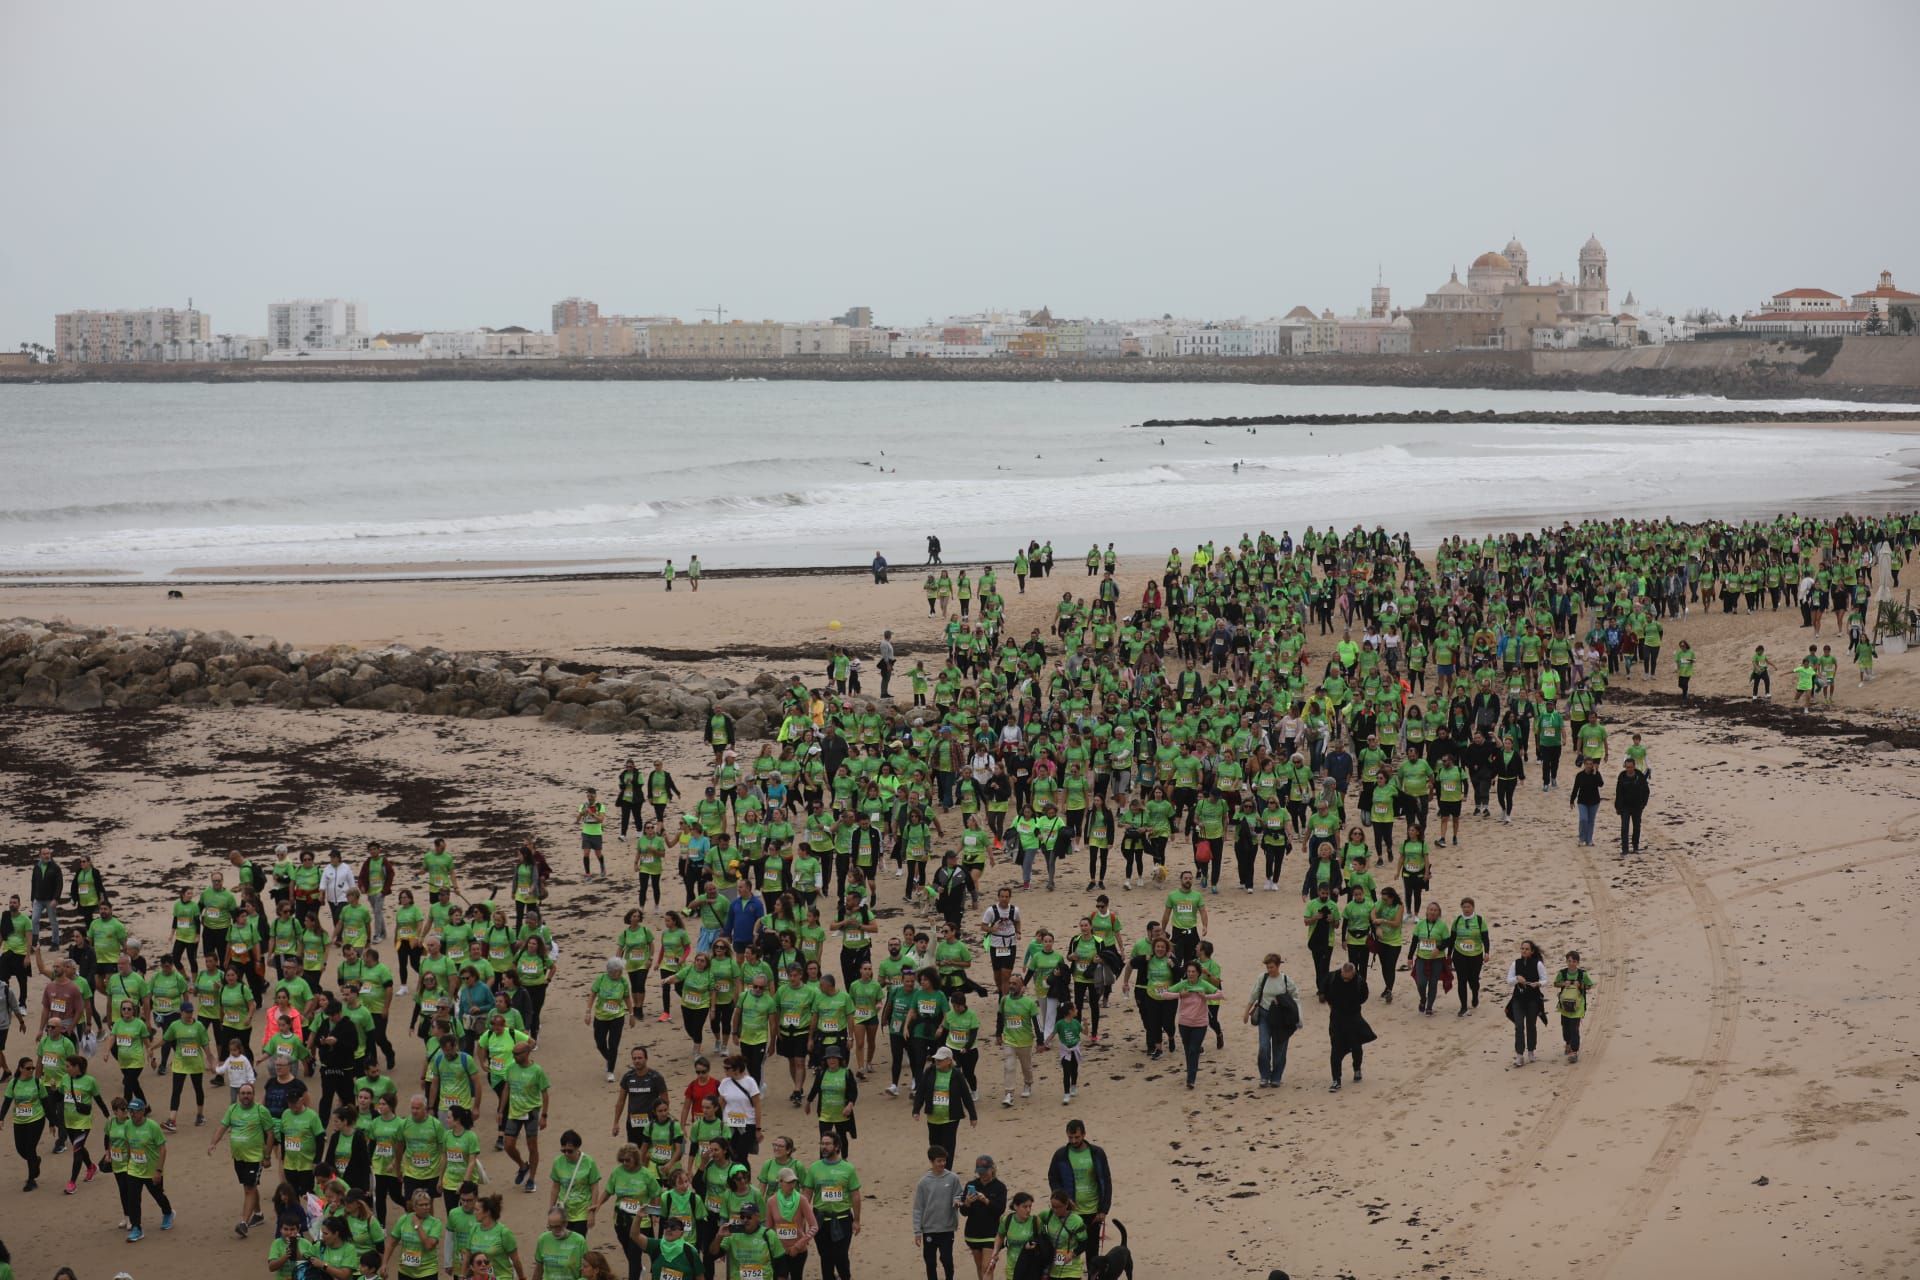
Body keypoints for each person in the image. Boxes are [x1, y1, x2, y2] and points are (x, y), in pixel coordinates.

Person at [1044, 1121, 1110, 1253]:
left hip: (1093, 1211)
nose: (1073, 1141)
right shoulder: (1060, 1155)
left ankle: (1092, 1274)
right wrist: (1064, 1199)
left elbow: (1106, 1181)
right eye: (1070, 1137)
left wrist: (1104, 1209)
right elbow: (1053, 1179)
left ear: (1084, 1134)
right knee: (1069, 1248)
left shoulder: (1097, 1153)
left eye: (1077, 1137)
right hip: (1071, 1211)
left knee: (1092, 1249)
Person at [808, 1131, 861, 1280]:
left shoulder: (848, 1168)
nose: (823, 1147)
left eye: (827, 1144)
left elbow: (855, 1195)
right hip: (819, 1220)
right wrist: (804, 1220)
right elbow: (807, 1195)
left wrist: (857, 1220)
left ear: (837, 1146)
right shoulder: (814, 1168)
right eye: (822, 1144)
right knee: (825, 1258)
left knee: (841, 1257)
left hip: (842, 1219)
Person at [1244, 952, 1301, 1087]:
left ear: (1278, 966)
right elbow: (1254, 995)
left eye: (1271, 967)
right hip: (1264, 1015)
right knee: (1263, 1047)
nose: (1269, 970)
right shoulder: (1262, 978)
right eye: (1267, 967)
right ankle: (1264, 1075)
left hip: (1281, 1019)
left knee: (1279, 1049)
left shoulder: (1286, 980)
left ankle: (1276, 1076)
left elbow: (1296, 998)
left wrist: (1291, 1011)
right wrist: (1246, 1012)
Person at [912, 1045, 977, 1162]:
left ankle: (946, 1170)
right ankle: (936, 1168)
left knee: (948, 1146)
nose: (937, 1061)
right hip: (933, 1118)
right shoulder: (929, 1071)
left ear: (948, 1061)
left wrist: (973, 1116)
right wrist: (916, 1110)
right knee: (934, 1146)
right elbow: (921, 1091)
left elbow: (966, 1096)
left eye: (940, 1060)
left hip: (950, 1118)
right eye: (936, 1059)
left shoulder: (957, 1074)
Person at [912, 1144, 965, 1280]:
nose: (942, 1163)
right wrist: (917, 1231)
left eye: (944, 1160)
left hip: (947, 1228)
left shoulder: (953, 1178)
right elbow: (918, 1208)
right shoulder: (923, 1182)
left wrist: (957, 1201)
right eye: (939, 1161)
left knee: (947, 1260)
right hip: (929, 1229)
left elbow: (959, 1194)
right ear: (932, 1161)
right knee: (930, 1262)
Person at [1167, 961, 1218, 1090]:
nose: (1190, 974)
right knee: (1187, 1050)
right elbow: (1165, 994)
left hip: (1200, 1023)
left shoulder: (1203, 984)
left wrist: (1206, 996)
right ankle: (1190, 1072)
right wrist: (1179, 995)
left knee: (1194, 1049)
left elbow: (1220, 994)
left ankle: (1191, 1079)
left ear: (1198, 973)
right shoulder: (1183, 985)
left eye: (1193, 972)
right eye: (1188, 971)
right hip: (1184, 1023)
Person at [1325, 961, 1373, 1093]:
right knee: (1335, 1049)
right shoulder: (1333, 978)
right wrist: (1332, 1007)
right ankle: (1336, 1080)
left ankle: (1357, 1068)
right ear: (1341, 972)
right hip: (1336, 1018)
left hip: (1353, 1017)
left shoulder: (1359, 981)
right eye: (1344, 977)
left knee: (1356, 1046)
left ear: (1353, 974)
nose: (1345, 979)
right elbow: (1325, 993)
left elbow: (1364, 997)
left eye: (1348, 978)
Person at [959, 1154, 1008, 1280]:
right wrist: (967, 1202)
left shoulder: (1000, 1187)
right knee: (980, 1266)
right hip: (973, 1233)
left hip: (992, 1233)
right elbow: (964, 1212)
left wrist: (986, 1200)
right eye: (980, 1172)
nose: (983, 1175)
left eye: (985, 1171)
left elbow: (1000, 1209)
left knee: (987, 1266)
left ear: (992, 1169)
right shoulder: (971, 1185)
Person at [1506, 940, 1550, 1067]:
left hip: (1533, 999)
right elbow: (1509, 980)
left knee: (1531, 1025)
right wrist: (1516, 979)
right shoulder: (1516, 963)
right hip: (1518, 999)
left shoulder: (1538, 964)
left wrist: (1538, 983)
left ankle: (1531, 1052)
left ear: (1532, 951)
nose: (1524, 951)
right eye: (1522, 948)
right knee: (1519, 1026)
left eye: (1526, 949)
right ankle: (1519, 1055)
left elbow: (1545, 979)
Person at [1554, 950, 1595, 1064]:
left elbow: (1590, 985)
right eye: (1569, 961)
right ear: (1567, 961)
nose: (1571, 963)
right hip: (1564, 1005)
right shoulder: (1562, 973)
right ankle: (1567, 1043)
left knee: (1574, 1028)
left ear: (1577, 962)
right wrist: (1563, 984)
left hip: (1578, 1006)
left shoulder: (1583, 974)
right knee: (1565, 1027)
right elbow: (1555, 983)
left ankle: (1574, 1051)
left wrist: (1580, 985)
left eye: (1574, 961)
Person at [1614, 757, 1650, 857]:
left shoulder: (1640, 776)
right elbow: (1618, 792)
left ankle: (1635, 847)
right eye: (1627, 767)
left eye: (1630, 767)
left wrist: (1643, 804)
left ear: (1634, 766)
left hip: (1637, 807)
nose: (1629, 769)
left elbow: (1646, 791)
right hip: (1624, 807)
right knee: (1624, 828)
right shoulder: (1622, 776)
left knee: (1637, 827)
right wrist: (1617, 806)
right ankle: (1625, 849)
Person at [1569, 757, 1603, 848]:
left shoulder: (1596, 774)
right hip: (1582, 801)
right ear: (1584, 764)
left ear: (1593, 765)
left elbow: (1601, 784)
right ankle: (1581, 838)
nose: (1589, 766)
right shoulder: (1580, 775)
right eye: (1587, 764)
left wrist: (1595, 774)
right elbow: (1575, 788)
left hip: (1594, 801)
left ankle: (1589, 840)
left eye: (1590, 764)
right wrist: (1572, 800)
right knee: (1583, 819)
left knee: (1591, 821)